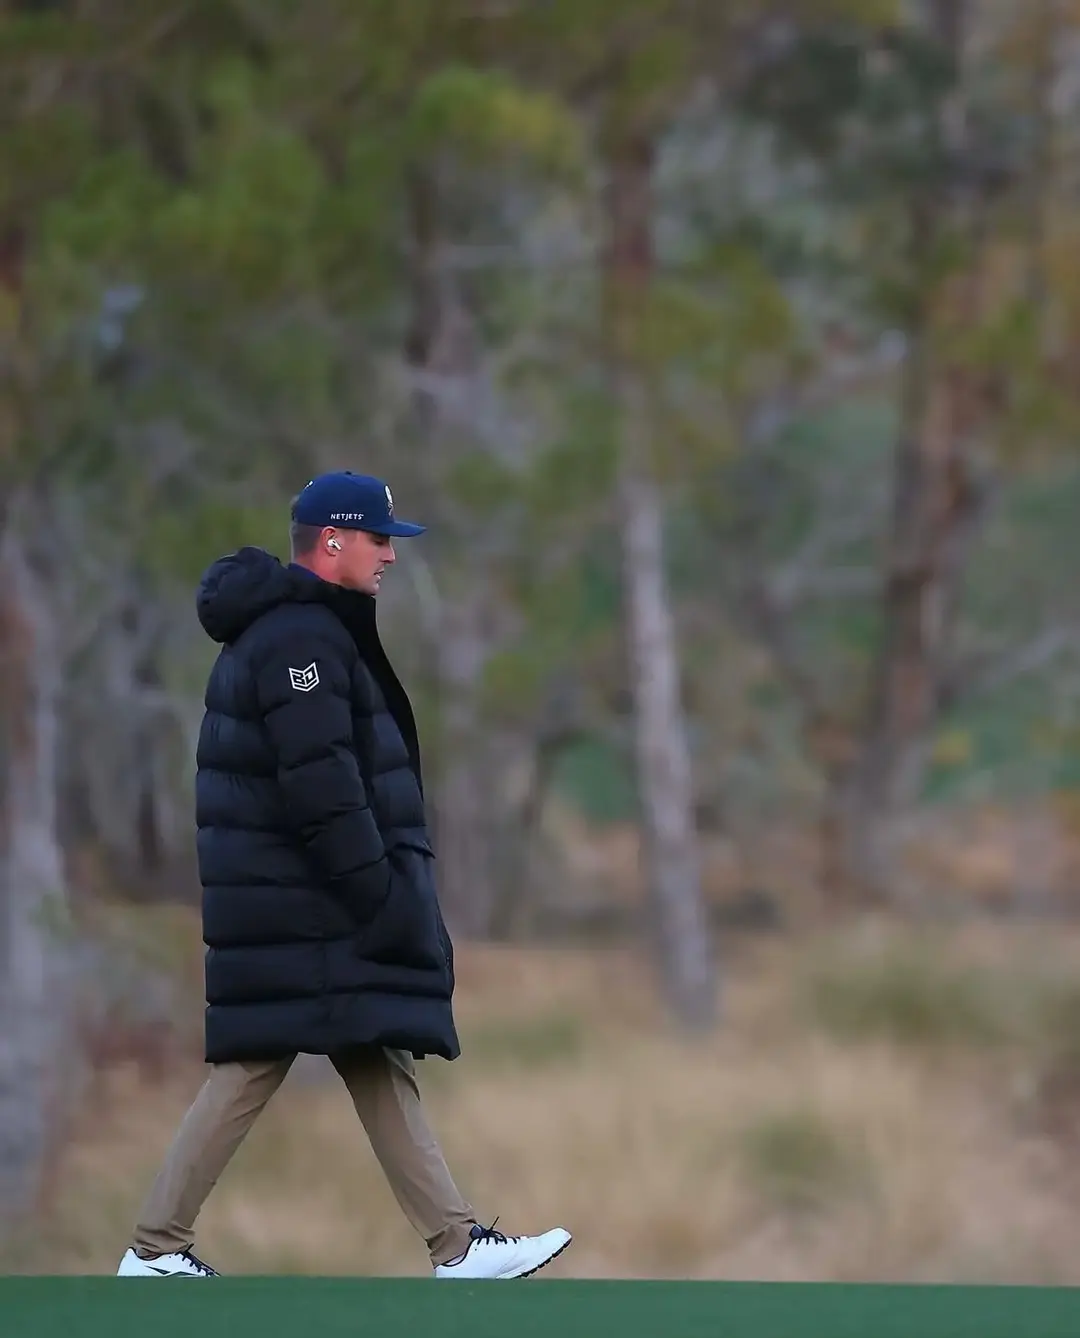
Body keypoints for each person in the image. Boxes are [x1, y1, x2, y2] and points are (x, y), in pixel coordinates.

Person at [116, 471, 571, 1280]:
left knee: (369, 1050)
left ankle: (455, 1245)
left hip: (303, 901)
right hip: (311, 904)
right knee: (258, 1062)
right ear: (333, 541)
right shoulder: (300, 641)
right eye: (379, 538)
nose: (391, 555)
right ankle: (154, 1248)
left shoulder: (307, 631)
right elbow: (322, 789)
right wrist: (383, 896)